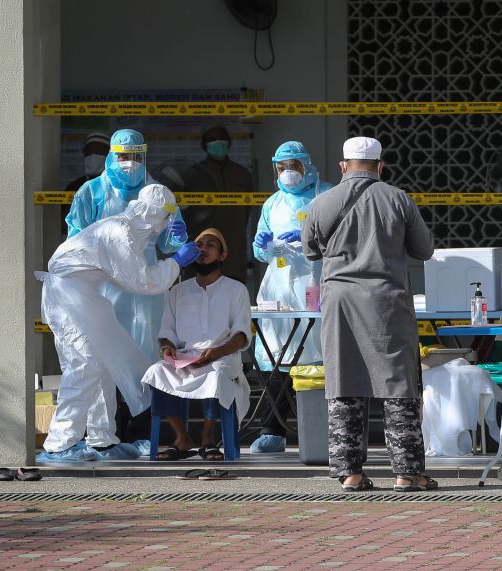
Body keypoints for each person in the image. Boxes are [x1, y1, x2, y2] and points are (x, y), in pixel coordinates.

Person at [302, 136, 436, 492]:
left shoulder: (321, 202)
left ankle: (349, 473)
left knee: (343, 381)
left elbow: (310, 251)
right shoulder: (397, 198)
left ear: (343, 167)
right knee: (398, 384)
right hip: (386, 303)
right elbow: (424, 250)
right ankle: (407, 473)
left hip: (340, 304)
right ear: (381, 166)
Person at [39, 184, 200, 455]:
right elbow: (143, 281)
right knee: (84, 366)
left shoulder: (127, 232)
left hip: (80, 294)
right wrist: (176, 262)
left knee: (102, 364)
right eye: (166, 217)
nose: (166, 224)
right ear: (154, 213)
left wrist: (173, 250)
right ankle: (59, 443)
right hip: (70, 297)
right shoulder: (119, 232)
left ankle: (102, 439)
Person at [65, 128, 188, 442]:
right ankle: (107, 432)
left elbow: (172, 239)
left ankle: (145, 432)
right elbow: (75, 238)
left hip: (145, 290)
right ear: (111, 155)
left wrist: (175, 234)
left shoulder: (157, 191)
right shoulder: (91, 192)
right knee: (103, 356)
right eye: (122, 156)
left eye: (135, 156)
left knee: (146, 356)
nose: (129, 163)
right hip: (104, 284)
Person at [249, 141, 332, 453]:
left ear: (306, 165)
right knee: (278, 355)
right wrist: (263, 245)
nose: (287, 173)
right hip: (281, 285)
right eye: (281, 167)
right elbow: (260, 252)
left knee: (320, 355)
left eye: (293, 166)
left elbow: (344, 235)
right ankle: (273, 429)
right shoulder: (272, 204)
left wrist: (309, 237)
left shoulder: (326, 195)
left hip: (317, 283)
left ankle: (326, 428)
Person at [142, 228, 253, 461]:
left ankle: (207, 438)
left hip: (222, 356)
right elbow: (166, 332)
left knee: (218, 374)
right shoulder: (178, 290)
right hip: (185, 357)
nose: (203, 249)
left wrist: (216, 352)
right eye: (199, 244)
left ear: (223, 255)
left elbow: (241, 336)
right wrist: (167, 348)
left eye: (211, 245)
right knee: (157, 371)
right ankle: (182, 438)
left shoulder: (236, 290)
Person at [180, 126, 254, 283]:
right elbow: (183, 211)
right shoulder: (193, 173)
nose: (218, 143)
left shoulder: (242, 173)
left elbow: (247, 212)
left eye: (222, 139)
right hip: (202, 246)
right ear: (205, 145)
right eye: (213, 140)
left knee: (234, 292)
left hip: (234, 245)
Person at [62, 132, 110, 220]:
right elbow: (65, 222)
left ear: (108, 155)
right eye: (89, 152)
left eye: (98, 152)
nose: (93, 156)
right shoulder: (74, 187)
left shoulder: (116, 186)